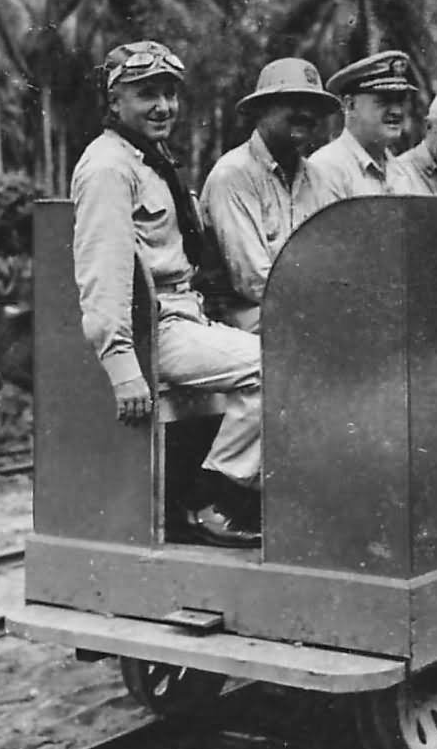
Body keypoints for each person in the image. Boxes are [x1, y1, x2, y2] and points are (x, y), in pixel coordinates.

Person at [70, 40, 261, 548]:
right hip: (158, 328)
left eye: (170, 94)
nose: (163, 107)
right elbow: (102, 271)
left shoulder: (149, 159)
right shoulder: (108, 167)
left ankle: (219, 495)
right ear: (114, 101)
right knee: (276, 367)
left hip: (186, 314)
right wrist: (122, 366)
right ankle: (213, 499)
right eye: (146, 94)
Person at [200, 59, 341, 333]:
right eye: (294, 103)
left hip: (302, 309)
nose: (306, 113)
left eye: (313, 106)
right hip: (241, 316)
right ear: (261, 110)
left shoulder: (319, 179)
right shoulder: (233, 175)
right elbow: (252, 281)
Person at [309, 50, 416, 200]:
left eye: (400, 100)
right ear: (350, 105)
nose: (397, 111)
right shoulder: (326, 169)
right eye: (384, 100)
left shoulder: (403, 172)